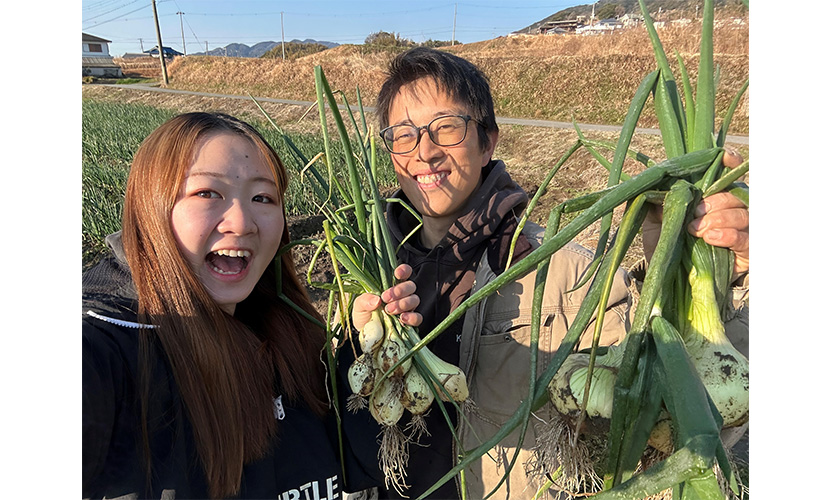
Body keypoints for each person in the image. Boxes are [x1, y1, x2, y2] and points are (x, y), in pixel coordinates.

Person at [342, 47, 750, 499]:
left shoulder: (566, 273)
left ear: (487, 142)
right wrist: (354, 345)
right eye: (404, 134)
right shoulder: (369, 277)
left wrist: (702, 278)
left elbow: (691, 409)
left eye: (447, 127)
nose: (425, 152)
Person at [82, 112, 372, 500]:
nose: (241, 222)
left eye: (262, 198)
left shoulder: (287, 329)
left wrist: (363, 349)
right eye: (208, 193)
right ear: (149, 205)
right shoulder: (112, 342)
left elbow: (353, 462)